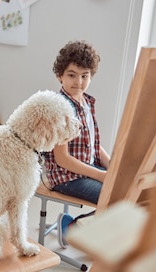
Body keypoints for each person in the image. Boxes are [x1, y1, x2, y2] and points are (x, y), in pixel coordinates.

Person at [42, 40, 111, 248]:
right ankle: (74, 226)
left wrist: (112, 166)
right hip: (66, 177)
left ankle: (89, 230)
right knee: (115, 197)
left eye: (85, 76)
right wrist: (101, 175)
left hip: (86, 169)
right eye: (72, 75)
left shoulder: (87, 102)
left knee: (130, 189)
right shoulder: (60, 107)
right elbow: (62, 159)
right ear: (59, 76)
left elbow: (93, 144)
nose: (78, 82)